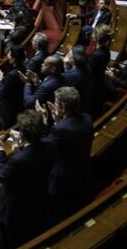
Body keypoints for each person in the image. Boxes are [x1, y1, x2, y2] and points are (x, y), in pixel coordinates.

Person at [0, 109, 51, 246]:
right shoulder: (49, 145)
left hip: (16, 204)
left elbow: (1, 175)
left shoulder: (17, 160)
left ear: (23, 135)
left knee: (13, 237)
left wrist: (1, 150)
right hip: (37, 196)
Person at [40, 86, 94, 218]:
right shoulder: (87, 118)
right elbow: (69, 134)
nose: (54, 104)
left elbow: (45, 147)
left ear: (63, 107)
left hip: (62, 178)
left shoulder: (60, 129)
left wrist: (45, 121)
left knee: (57, 210)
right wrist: (58, 119)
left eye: (56, 103)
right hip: (82, 171)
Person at [0, 46, 26, 130]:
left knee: (3, 131)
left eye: (9, 54)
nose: (8, 56)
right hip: (18, 107)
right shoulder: (24, 68)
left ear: (14, 59)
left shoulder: (12, 75)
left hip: (7, 112)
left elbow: (2, 92)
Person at [59, 46, 94, 115]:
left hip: (78, 107)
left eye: (69, 54)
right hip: (87, 100)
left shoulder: (73, 75)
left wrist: (65, 64)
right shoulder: (86, 66)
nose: (67, 55)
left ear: (74, 59)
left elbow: (64, 81)